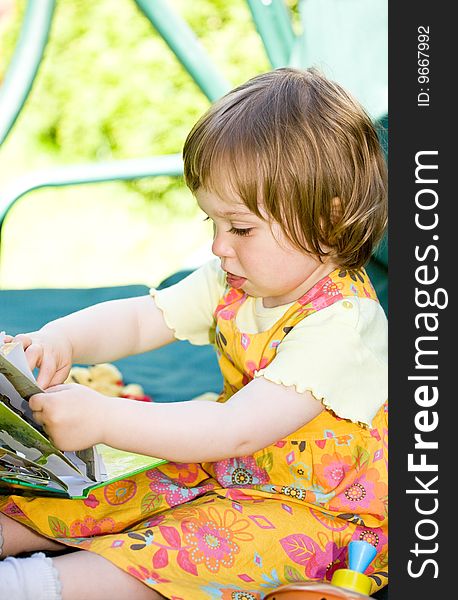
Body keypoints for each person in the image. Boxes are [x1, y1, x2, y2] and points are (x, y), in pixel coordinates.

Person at [0, 67, 388, 600]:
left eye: (240, 228)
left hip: (316, 510)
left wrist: (104, 417)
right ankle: (10, 531)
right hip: (228, 468)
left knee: (199, 546)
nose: (218, 246)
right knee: (115, 486)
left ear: (326, 221)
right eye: (212, 223)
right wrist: (60, 340)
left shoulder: (345, 325)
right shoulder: (240, 280)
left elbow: (236, 428)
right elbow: (142, 319)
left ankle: (33, 585)